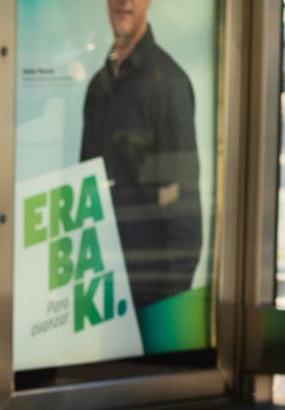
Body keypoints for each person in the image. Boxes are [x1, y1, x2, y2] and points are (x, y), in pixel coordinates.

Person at [80, 0, 203, 313]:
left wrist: (168, 315)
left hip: (149, 295)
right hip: (101, 288)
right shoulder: (98, 87)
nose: (124, 2)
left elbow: (184, 214)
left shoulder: (169, 86)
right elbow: (86, 190)